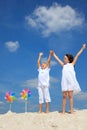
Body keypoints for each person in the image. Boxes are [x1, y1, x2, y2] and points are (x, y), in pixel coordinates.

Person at [52, 44, 86, 114]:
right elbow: (58, 60)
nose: (63, 59)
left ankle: (71, 110)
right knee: (64, 96)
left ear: (69, 59)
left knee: (70, 96)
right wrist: (53, 54)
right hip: (64, 82)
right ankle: (63, 111)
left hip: (70, 82)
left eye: (65, 58)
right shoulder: (63, 65)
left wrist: (82, 48)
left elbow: (77, 55)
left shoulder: (72, 64)